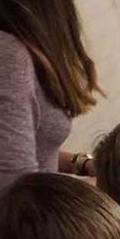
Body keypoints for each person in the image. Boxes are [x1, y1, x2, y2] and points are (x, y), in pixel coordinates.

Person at [0, 0, 102, 190]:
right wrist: (112, 190)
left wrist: (80, 163)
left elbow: (31, 150)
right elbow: (17, 192)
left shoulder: (17, 47)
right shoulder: (7, 55)